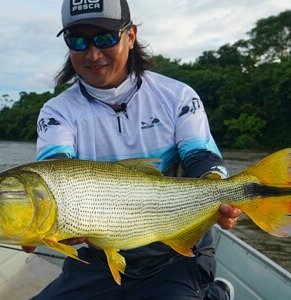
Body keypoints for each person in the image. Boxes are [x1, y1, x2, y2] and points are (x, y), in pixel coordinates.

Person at [28, 0, 242, 299]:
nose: (92, 53)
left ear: (131, 36)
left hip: (175, 252)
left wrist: (220, 191)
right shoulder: (57, 111)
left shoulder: (176, 96)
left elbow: (200, 156)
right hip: (102, 254)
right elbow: (56, 169)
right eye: (77, 40)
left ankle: (215, 293)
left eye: (105, 38)